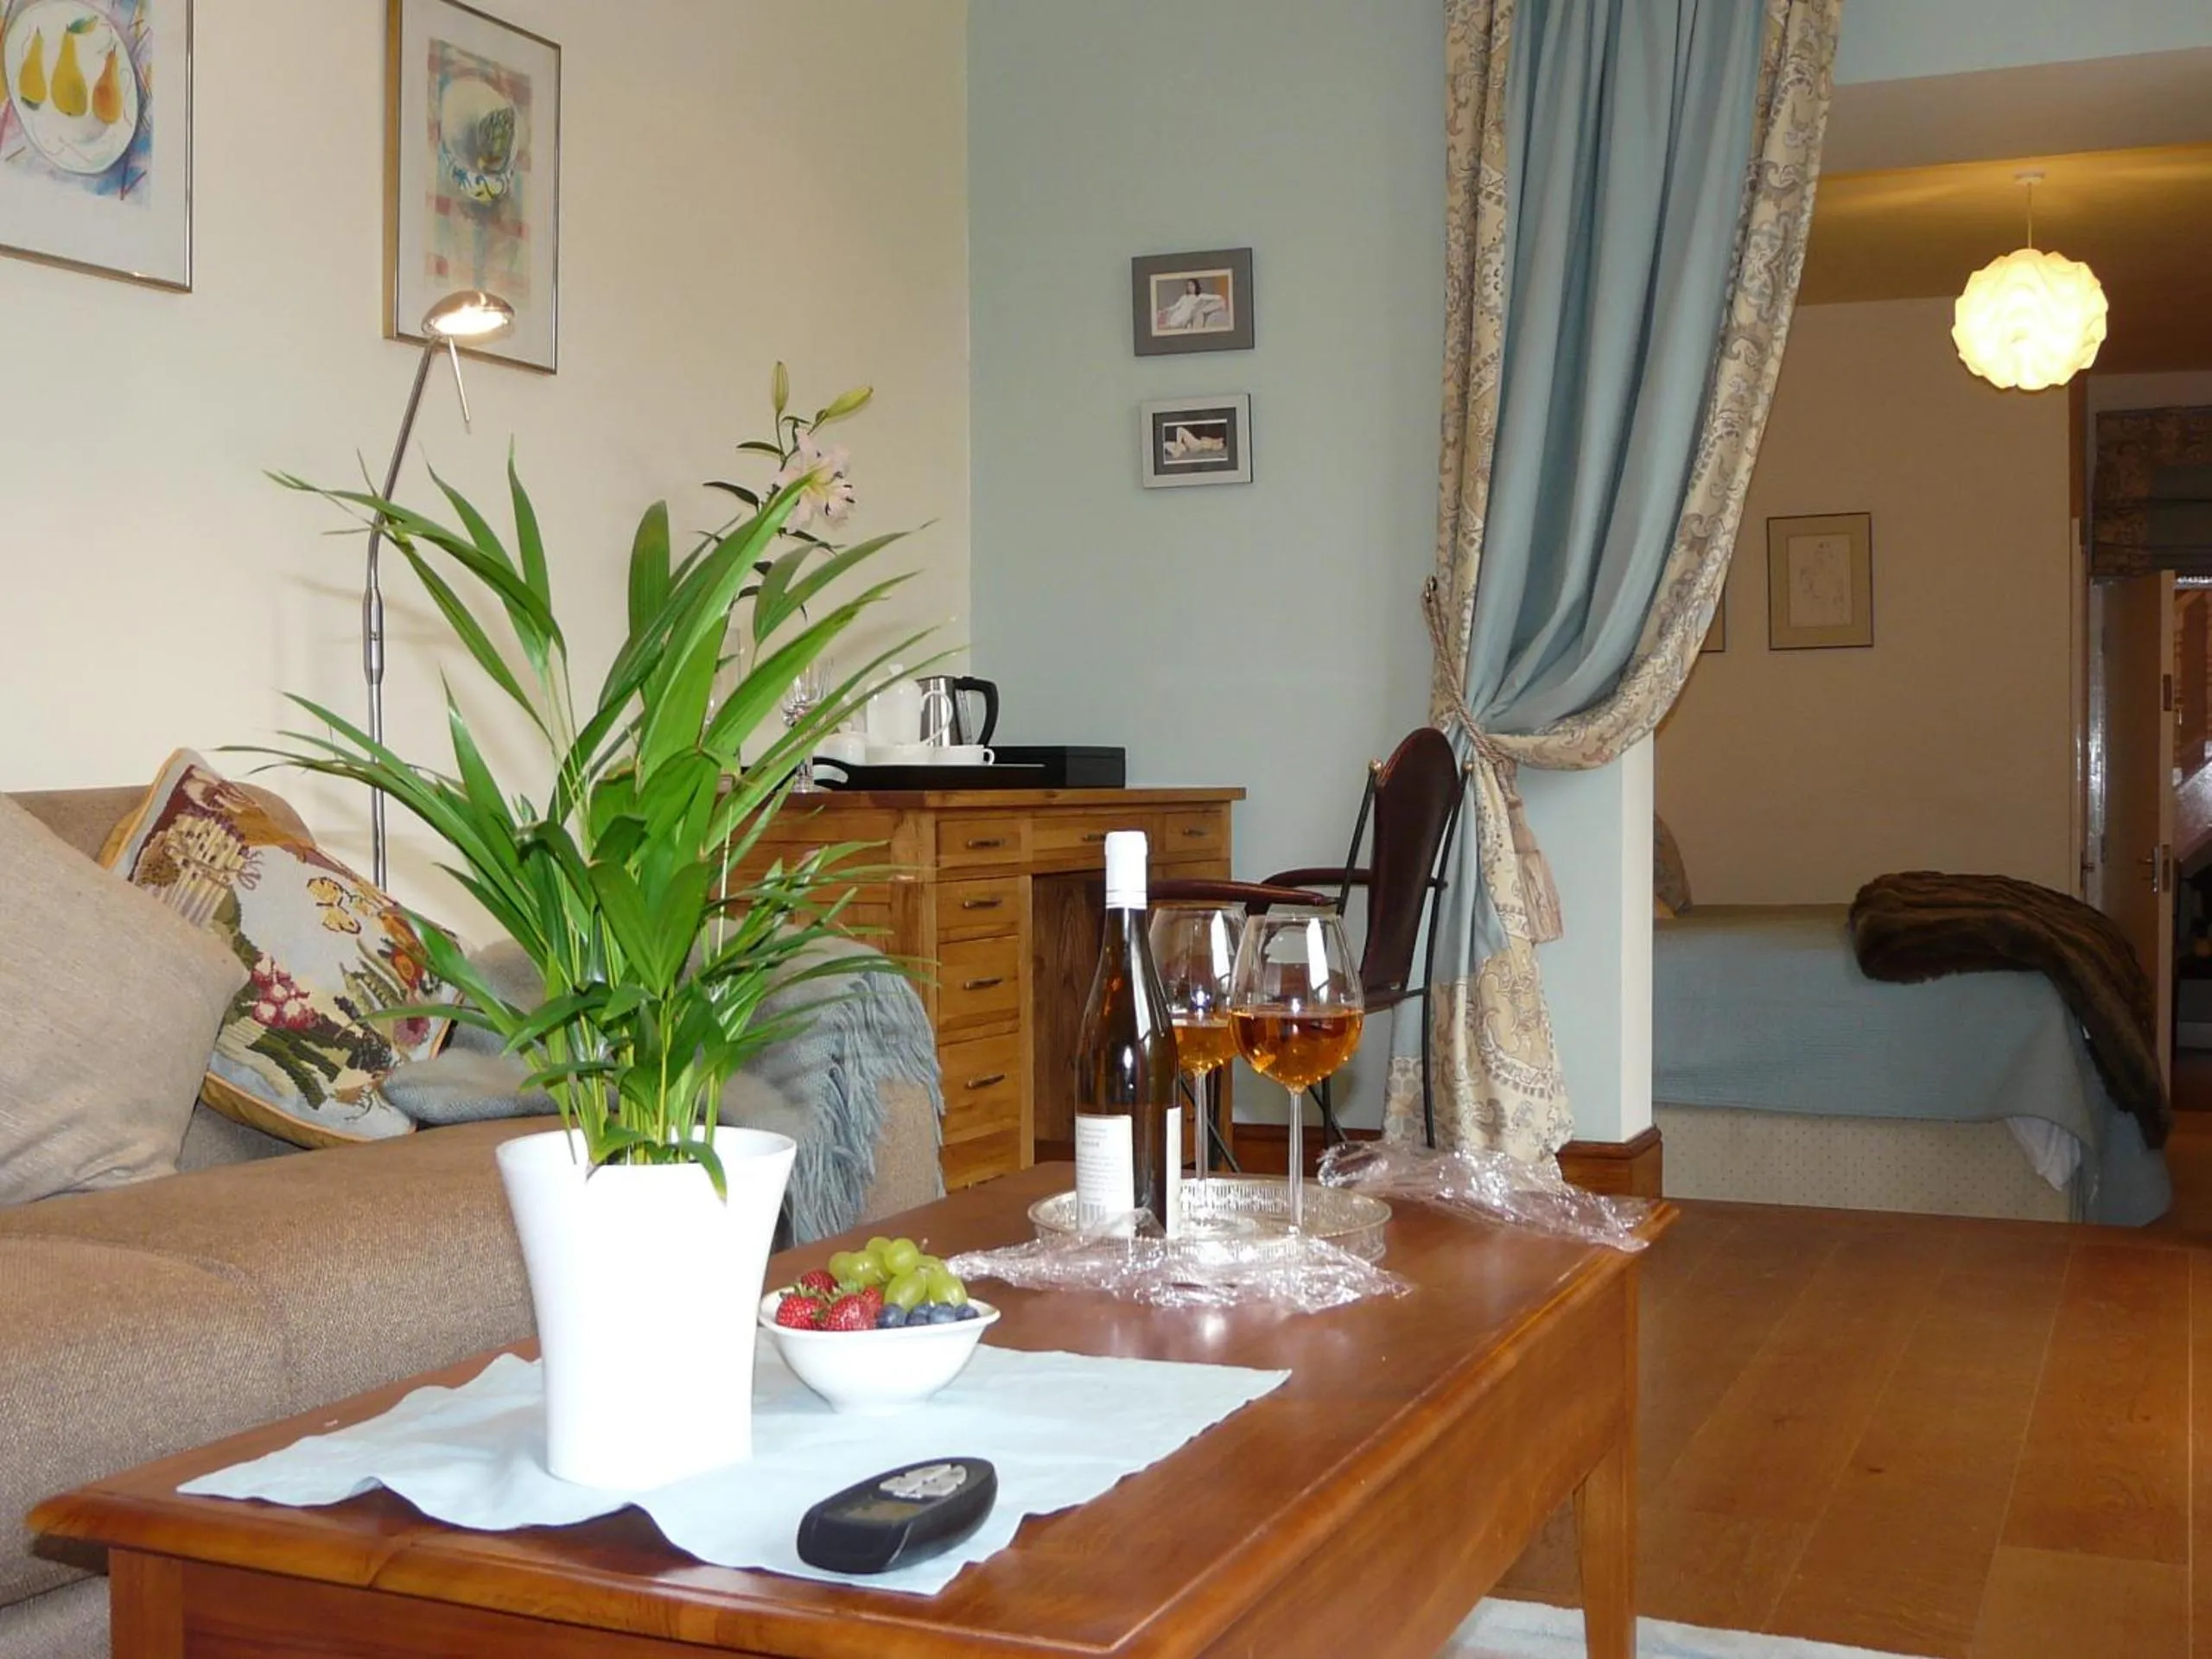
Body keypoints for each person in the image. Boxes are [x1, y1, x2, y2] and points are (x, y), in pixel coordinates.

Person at [1156, 277, 1229, 333]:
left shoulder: (1200, 296)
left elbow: (1215, 297)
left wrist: (1221, 298)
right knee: (1171, 323)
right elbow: (1176, 306)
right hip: (1179, 313)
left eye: (1192, 285)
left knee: (1178, 323)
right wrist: (1166, 309)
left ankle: (1167, 326)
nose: (1190, 287)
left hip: (1188, 315)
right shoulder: (1184, 297)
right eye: (1188, 286)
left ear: (1196, 286)